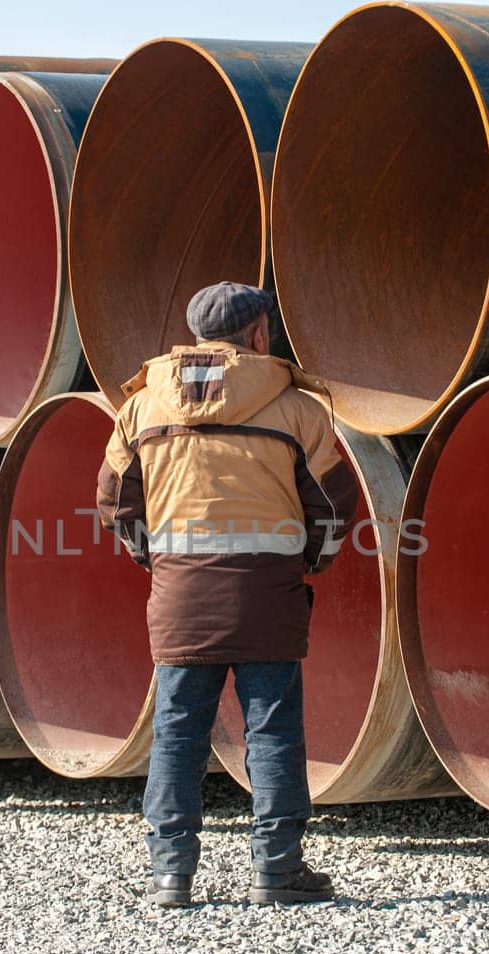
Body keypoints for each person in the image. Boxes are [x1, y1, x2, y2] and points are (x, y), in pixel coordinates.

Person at [97, 281, 359, 908]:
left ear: (194, 337)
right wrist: (310, 562)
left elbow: (114, 501)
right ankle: (278, 870)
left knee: (177, 729)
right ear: (259, 334)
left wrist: (155, 559)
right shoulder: (298, 409)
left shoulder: (139, 408)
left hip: (180, 590)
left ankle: (171, 874)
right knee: (271, 729)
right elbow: (334, 503)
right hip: (268, 588)